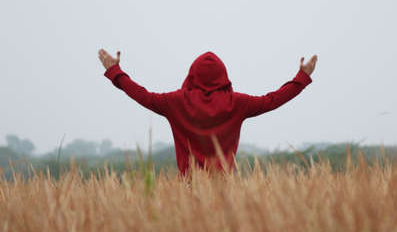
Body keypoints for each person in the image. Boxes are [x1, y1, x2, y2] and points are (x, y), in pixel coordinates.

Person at [98, 49, 317, 176]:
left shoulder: (175, 102)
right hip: (224, 193)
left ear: (191, 75)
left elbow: (142, 95)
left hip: (187, 193)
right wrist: (302, 78)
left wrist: (115, 72)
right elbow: (272, 100)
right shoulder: (237, 103)